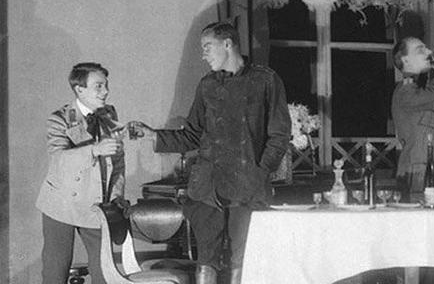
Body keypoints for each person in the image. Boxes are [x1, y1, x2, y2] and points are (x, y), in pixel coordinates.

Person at [130, 22, 291, 284]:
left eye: (207, 47)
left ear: (227, 44)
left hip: (247, 187)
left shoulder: (266, 80)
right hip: (208, 188)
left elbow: (279, 135)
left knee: (244, 257)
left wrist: (260, 171)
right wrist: (153, 135)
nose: (203, 55)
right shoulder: (207, 85)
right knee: (206, 258)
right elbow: (192, 135)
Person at [37, 62, 125, 284]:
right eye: (98, 86)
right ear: (79, 89)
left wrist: (116, 197)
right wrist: (94, 150)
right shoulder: (60, 118)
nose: (105, 91)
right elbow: (59, 160)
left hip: (95, 204)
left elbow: (118, 163)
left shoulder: (109, 115)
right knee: (55, 272)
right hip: (61, 204)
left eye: (106, 85)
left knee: (105, 271)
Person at [391, 37, 434, 196]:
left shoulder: (420, 90)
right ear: (405, 60)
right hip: (418, 177)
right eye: (420, 50)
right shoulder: (405, 91)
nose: (428, 52)